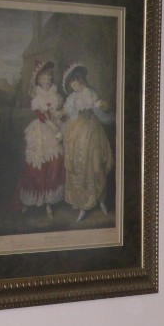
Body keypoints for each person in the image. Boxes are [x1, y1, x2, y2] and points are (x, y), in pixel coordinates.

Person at [60, 63, 114, 222]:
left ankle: (101, 200)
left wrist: (101, 105)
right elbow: (69, 113)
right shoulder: (72, 98)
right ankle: (83, 206)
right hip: (78, 133)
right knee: (80, 168)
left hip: (93, 131)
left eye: (74, 81)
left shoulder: (91, 93)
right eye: (71, 84)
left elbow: (101, 109)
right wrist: (60, 113)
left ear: (80, 79)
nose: (73, 86)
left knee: (96, 167)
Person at [11, 60, 65, 218]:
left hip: (56, 128)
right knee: (37, 164)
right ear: (38, 81)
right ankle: (31, 200)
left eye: (48, 77)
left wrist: (59, 122)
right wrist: (52, 125)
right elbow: (41, 116)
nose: (46, 80)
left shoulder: (57, 96)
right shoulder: (37, 98)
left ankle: (49, 202)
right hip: (41, 130)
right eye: (43, 78)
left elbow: (59, 113)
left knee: (55, 163)